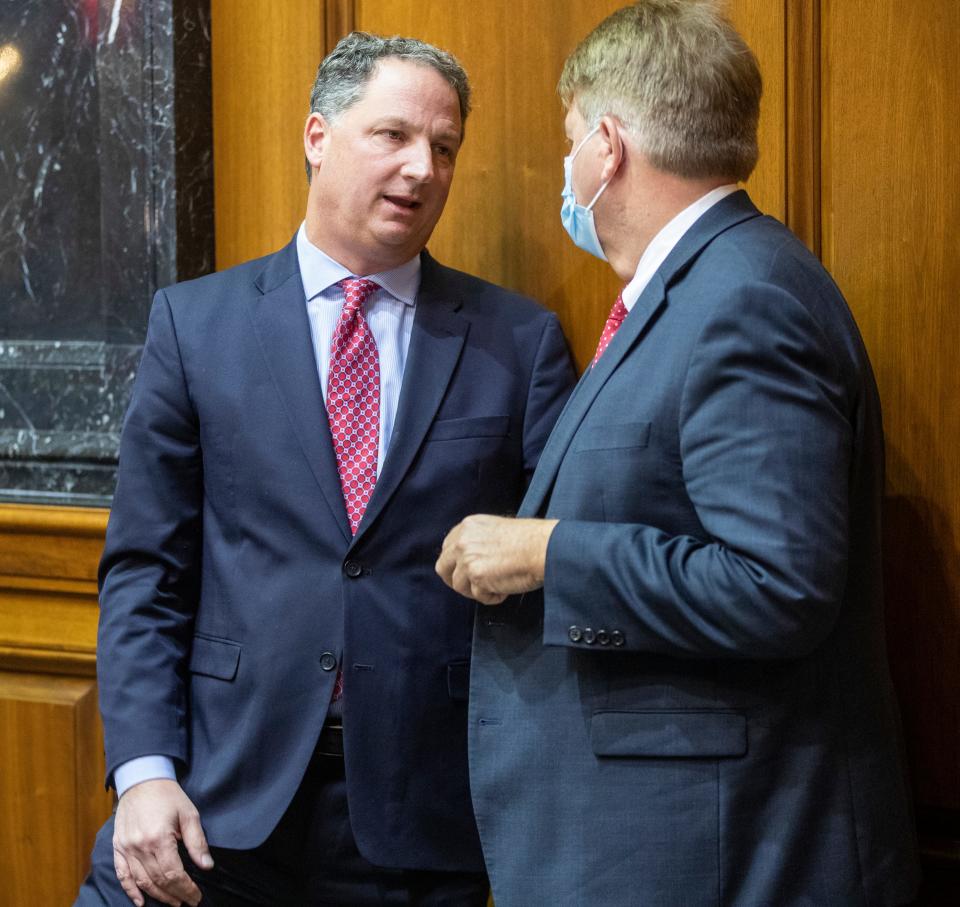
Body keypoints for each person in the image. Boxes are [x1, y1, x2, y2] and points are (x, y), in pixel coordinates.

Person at [436, 2, 921, 904]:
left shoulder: (744, 298)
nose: (568, 165)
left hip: (723, 852)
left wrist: (548, 550)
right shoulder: (705, 285)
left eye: (571, 138)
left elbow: (779, 585)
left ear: (609, 147)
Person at [77, 31, 574, 907]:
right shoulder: (195, 326)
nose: (423, 168)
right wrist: (144, 772)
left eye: (446, 147)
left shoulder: (518, 343)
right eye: (394, 135)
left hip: (419, 816)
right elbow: (146, 572)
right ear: (318, 135)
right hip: (211, 800)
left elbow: (551, 579)